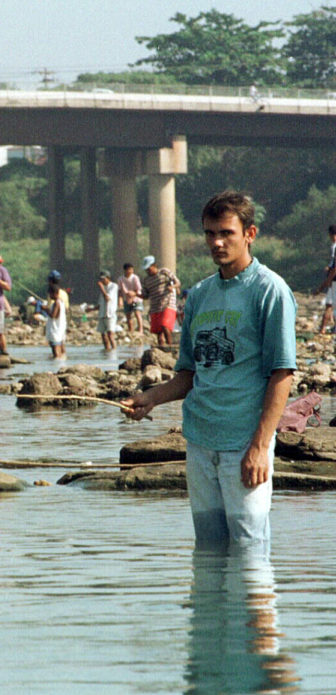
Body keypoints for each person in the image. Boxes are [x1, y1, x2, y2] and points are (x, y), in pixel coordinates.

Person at [124, 191, 296, 549]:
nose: (216, 242)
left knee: (250, 553)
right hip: (200, 443)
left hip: (243, 443)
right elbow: (189, 374)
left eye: (226, 233)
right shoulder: (200, 294)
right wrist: (150, 398)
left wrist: (260, 447)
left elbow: (282, 374)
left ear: (250, 233)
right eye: (209, 233)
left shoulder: (270, 290)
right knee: (209, 552)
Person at [142, 255, 181, 346]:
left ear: (154, 265)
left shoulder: (164, 272)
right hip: (155, 307)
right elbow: (145, 295)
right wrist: (135, 294)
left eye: (149, 268)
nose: (148, 271)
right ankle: (161, 348)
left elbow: (177, 282)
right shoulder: (146, 280)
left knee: (165, 325)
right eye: (146, 269)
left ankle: (170, 346)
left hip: (167, 304)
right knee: (158, 332)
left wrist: (172, 287)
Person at [39, 270, 68, 358]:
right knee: (61, 344)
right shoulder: (63, 296)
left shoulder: (56, 302)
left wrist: (46, 309)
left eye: (50, 294)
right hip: (61, 325)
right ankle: (62, 359)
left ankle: (57, 361)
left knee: (55, 346)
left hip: (56, 327)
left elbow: (53, 315)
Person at [313, 224, 336, 334]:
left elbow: (335, 266)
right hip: (333, 278)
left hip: (334, 279)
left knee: (330, 304)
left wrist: (328, 280)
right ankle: (323, 328)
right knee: (330, 304)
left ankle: (323, 329)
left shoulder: (334, 246)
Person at [96, 269, 120, 351]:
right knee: (103, 335)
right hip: (102, 314)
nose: (102, 280)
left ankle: (114, 350)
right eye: (101, 279)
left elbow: (107, 298)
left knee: (110, 334)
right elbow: (100, 304)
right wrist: (91, 309)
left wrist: (102, 288)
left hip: (110, 314)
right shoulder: (102, 289)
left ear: (108, 278)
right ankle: (107, 350)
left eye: (104, 278)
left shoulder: (113, 286)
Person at [118, 262, 145, 336]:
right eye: (129, 269)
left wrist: (132, 297)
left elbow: (137, 289)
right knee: (128, 315)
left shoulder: (135, 277)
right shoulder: (121, 279)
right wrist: (120, 300)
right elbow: (120, 291)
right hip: (126, 298)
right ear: (125, 270)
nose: (131, 271)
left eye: (132, 269)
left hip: (137, 298)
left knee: (137, 313)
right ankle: (131, 330)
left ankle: (140, 330)